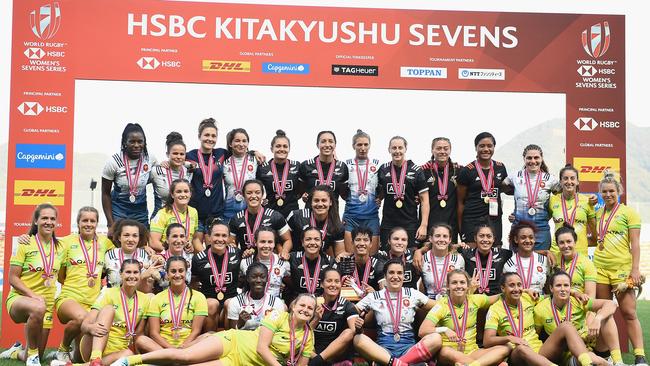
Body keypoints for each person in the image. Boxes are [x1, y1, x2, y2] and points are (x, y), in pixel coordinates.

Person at [109, 294, 316, 366]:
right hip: (233, 341)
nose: (305, 310)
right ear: (293, 306)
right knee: (186, 357)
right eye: (302, 306)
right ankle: (130, 361)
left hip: (239, 362)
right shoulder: (278, 315)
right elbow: (262, 348)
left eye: (310, 308)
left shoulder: (308, 335)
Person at [484, 272, 600, 366]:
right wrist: (510, 338)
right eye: (511, 285)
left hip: (540, 351)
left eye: (519, 285)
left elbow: (555, 295)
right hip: (516, 354)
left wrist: (574, 292)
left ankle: (587, 363)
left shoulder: (528, 298)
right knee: (522, 349)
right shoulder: (495, 309)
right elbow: (487, 341)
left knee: (566, 325)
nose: (516, 289)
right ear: (503, 288)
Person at [594, 171, 647, 366]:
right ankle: (610, 356)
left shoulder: (629, 213)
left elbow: (635, 243)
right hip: (600, 268)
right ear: (600, 192)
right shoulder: (599, 213)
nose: (608, 195)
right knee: (606, 313)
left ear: (619, 192)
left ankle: (640, 356)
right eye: (604, 191)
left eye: (611, 191)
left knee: (629, 313)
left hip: (622, 270)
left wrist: (635, 269)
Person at [3, 204, 64, 366]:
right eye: (44, 218)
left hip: (47, 305)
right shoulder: (24, 243)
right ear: (36, 221)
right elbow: (13, 278)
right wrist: (34, 296)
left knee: (40, 354)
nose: (48, 222)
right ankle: (31, 355)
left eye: (52, 218)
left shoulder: (61, 247)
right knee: (37, 308)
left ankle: (17, 352)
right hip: (20, 300)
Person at [52, 207, 115, 363]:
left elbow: (122, 254)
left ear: (97, 223)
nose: (88, 224)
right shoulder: (66, 242)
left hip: (93, 303)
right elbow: (60, 274)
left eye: (92, 221)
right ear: (78, 223)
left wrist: (145, 247)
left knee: (81, 357)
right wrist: (25, 238)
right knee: (82, 318)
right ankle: (62, 349)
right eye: (84, 220)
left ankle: (67, 357)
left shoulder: (105, 243)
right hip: (69, 298)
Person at [61, 259, 150, 366]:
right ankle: (95, 358)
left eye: (135, 272)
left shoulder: (145, 300)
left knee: (128, 354)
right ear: (121, 274)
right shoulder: (108, 293)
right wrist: (91, 328)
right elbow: (84, 325)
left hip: (118, 352)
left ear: (140, 275)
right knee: (109, 309)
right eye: (128, 272)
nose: (132, 276)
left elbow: (138, 334)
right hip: (93, 345)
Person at [354, 259, 440, 364]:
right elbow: (351, 311)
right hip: (384, 350)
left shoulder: (412, 294)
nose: (395, 276)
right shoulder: (375, 297)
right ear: (385, 276)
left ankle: (397, 363)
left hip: (409, 349)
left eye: (399, 273)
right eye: (391, 273)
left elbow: (439, 307)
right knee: (358, 339)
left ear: (404, 276)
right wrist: (358, 322)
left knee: (436, 338)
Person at [419, 270, 510, 366]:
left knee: (506, 348)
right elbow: (422, 331)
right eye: (454, 283)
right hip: (449, 351)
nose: (459, 286)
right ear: (448, 286)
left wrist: (524, 292)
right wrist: (444, 329)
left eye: (462, 282)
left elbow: (500, 297)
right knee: (446, 352)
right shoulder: (441, 305)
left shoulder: (475, 300)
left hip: (472, 351)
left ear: (467, 286)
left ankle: (471, 365)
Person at [534, 271, 624, 366]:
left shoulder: (578, 300)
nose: (563, 289)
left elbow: (611, 304)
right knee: (567, 327)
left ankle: (618, 362)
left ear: (570, 288)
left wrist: (597, 319)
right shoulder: (540, 308)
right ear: (551, 288)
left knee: (606, 316)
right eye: (558, 285)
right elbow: (536, 335)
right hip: (565, 355)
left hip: (587, 345)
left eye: (566, 285)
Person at [136, 256, 208, 352]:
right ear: (167, 275)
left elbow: (196, 331)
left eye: (181, 271)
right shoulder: (157, 298)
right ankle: (176, 359)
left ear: (186, 273)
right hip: (163, 348)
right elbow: (154, 333)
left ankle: (173, 359)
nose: (177, 275)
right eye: (173, 271)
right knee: (141, 340)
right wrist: (172, 349)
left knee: (209, 336)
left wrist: (183, 347)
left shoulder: (199, 297)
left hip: (188, 346)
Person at [376, 136, 429, 249]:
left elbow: (425, 200)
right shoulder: (383, 169)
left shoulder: (416, 170)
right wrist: (378, 199)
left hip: (410, 224)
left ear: (405, 149)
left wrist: (423, 225)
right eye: (394, 148)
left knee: (410, 259)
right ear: (389, 149)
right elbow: (380, 192)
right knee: (386, 258)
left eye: (400, 147)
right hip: (388, 224)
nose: (397, 151)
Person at [457, 132, 508, 245]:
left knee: (495, 254)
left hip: (494, 219)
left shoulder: (500, 168)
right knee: (471, 256)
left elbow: (506, 188)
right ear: (476, 147)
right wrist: (461, 230)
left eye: (489, 146)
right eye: (482, 146)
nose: (486, 149)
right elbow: (460, 202)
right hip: (472, 220)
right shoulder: (467, 170)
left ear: (494, 147)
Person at [102, 123, 156, 230]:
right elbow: (105, 193)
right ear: (124, 143)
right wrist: (110, 223)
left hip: (141, 212)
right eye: (132, 141)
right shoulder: (113, 162)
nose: (136, 145)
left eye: (140, 141)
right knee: (121, 243)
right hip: (119, 211)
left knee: (141, 244)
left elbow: (159, 175)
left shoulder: (150, 158)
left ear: (144, 143)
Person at [191, 221, 242, 331]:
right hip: (208, 308)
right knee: (212, 304)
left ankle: (231, 340)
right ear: (209, 237)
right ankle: (210, 338)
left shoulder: (237, 254)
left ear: (229, 238)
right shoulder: (198, 259)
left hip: (228, 307)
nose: (220, 239)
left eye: (224, 235)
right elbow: (193, 284)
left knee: (231, 303)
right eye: (216, 235)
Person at [185, 118, 228, 246]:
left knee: (215, 246)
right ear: (199, 136)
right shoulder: (189, 156)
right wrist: (165, 163)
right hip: (195, 212)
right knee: (196, 247)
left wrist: (254, 152)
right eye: (207, 135)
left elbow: (240, 151)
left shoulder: (222, 153)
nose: (210, 139)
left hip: (216, 212)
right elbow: (175, 160)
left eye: (214, 136)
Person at [506, 144, 557, 250]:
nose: (533, 161)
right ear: (524, 159)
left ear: (542, 158)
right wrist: (514, 212)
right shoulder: (514, 176)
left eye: (536, 157)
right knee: (517, 263)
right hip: (519, 227)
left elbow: (564, 198)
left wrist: (552, 214)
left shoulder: (550, 180)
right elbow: (500, 188)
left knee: (541, 264)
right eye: (529, 158)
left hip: (541, 229)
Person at [309, 268, 361, 365]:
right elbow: (300, 330)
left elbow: (354, 330)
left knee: (349, 332)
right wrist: (316, 318)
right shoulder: (311, 301)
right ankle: (322, 362)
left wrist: (359, 327)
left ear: (340, 284)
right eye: (329, 281)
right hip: (311, 349)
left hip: (335, 352)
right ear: (322, 284)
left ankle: (318, 361)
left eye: (337, 281)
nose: (333, 285)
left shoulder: (347, 305)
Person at [228, 179, 292, 258]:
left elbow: (287, 240)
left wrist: (284, 252)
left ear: (263, 195)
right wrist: (237, 250)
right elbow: (231, 243)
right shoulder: (236, 219)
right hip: (246, 260)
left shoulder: (275, 216)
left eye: (257, 192)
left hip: (270, 261)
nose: (253, 196)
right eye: (249, 193)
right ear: (243, 195)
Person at [343, 129, 381, 253]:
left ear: (370, 145)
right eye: (359, 144)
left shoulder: (377, 165)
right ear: (353, 146)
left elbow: (385, 186)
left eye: (366, 144)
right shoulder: (346, 165)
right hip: (351, 217)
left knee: (372, 258)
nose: (363, 148)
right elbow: (340, 189)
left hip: (371, 217)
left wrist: (380, 198)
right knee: (350, 257)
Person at [548, 164, 596, 257]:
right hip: (557, 253)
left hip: (580, 254)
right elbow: (541, 220)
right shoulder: (552, 200)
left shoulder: (587, 201)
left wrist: (582, 242)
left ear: (577, 181)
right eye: (565, 178)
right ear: (560, 182)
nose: (569, 181)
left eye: (572, 178)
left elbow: (595, 232)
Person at [421, 137, 461, 243]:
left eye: (445, 148)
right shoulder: (422, 172)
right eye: (438, 148)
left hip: (451, 225)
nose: (442, 151)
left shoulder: (459, 171)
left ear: (450, 150)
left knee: (450, 257)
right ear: (432, 150)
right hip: (429, 225)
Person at [104, 219, 161, 292]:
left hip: (138, 300)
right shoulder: (108, 255)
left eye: (135, 236)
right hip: (113, 300)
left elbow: (148, 289)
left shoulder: (146, 255)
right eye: (126, 235)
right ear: (119, 237)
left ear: (139, 238)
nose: (130, 239)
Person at [226, 262, 286, 330]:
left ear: (267, 279)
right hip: (243, 338)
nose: (258, 280)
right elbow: (232, 332)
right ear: (248, 278)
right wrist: (240, 323)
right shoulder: (236, 301)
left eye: (262, 277)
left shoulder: (276, 303)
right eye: (254, 277)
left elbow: (279, 330)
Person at [288, 185, 345, 256]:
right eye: (316, 200)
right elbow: (284, 241)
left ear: (330, 202)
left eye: (324, 200)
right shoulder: (296, 216)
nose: (320, 204)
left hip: (320, 263)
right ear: (311, 202)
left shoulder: (337, 225)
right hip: (295, 263)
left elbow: (339, 253)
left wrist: (340, 259)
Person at [256, 129, 302, 217]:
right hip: (269, 215)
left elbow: (303, 186)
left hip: (292, 215)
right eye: (278, 146)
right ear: (271, 149)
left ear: (289, 149)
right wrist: (253, 152)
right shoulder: (262, 168)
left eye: (285, 146)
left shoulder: (297, 166)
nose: (282, 149)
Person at [460, 222, 512, 295]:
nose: (485, 239)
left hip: (496, 301)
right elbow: (447, 248)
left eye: (489, 236)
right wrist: (457, 245)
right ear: (475, 238)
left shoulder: (503, 254)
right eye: (481, 236)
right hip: (474, 300)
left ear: (493, 239)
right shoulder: (466, 254)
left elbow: (519, 252)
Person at [149, 179, 200, 252]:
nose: (183, 195)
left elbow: (195, 238)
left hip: (186, 255)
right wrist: (173, 251)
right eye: (179, 192)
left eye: (186, 191)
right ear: (172, 195)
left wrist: (192, 246)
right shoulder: (162, 213)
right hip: (168, 256)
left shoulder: (193, 212)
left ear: (190, 194)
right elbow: (153, 242)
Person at [239, 227, 291, 299]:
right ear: (255, 242)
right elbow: (239, 283)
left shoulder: (283, 263)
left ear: (274, 243)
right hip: (250, 305)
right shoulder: (246, 262)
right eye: (262, 242)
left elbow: (290, 283)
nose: (266, 246)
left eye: (270, 242)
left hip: (274, 305)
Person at [287, 227, 336, 301]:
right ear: (302, 242)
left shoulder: (330, 262)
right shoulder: (292, 258)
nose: (312, 243)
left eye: (316, 239)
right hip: (297, 303)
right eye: (308, 239)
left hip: (321, 304)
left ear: (321, 243)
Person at [299, 130, 349, 201]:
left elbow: (345, 195)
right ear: (317, 145)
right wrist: (304, 195)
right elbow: (298, 192)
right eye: (323, 141)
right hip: (311, 211)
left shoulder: (342, 167)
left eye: (330, 141)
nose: (327, 145)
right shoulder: (306, 166)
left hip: (333, 211)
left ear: (335, 145)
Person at [503, 221, 549, 298]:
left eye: (531, 237)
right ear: (516, 239)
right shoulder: (509, 264)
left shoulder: (544, 260)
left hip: (539, 302)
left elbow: (548, 287)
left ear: (535, 239)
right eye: (523, 237)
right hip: (518, 304)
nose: (528, 241)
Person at [150, 132, 191, 218]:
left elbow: (195, 165)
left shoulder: (188, 171)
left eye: (182, 154)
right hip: (160, 220)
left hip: (181, 220)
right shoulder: (157, 171)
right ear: (167, 154)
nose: (179, 157)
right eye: (175, 153)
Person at [222, 128, 259, 223]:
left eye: (244, 141)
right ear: (230, 144)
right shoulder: (224, 163)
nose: (241, 144)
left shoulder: (255, 160)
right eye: (237, 141)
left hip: (250, 209)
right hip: (229, 210)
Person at [420, 224, 465, 300]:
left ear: (450, 239)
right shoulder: (423, 259)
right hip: (429, 304)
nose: (441, 239)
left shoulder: (458, 259)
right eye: (437, 236)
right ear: (431, 238)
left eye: (445, 236)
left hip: (451, 303)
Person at [337, 226, 383, 296]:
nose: (361, 243)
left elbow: (385, 292)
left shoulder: (378, 265)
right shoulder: (344, 263)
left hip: (371, 303)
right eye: (358, 240)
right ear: (352, 243)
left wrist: (375, 293)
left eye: (365, 240)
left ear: (371, 244)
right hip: (348, 304)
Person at [554, 226, 596, 299]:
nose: (566, 246)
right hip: (556, 305)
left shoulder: (587, 263)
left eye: (569, 241)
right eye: (561, 243)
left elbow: (590, 297)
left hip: (578, 305)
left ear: (575, 242)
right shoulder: (553, 259)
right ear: (557, 244)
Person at [156, 223, 194, 290]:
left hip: (186, 296)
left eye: (182, 236)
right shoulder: (158, 259)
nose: (179, 241)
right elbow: (162, 283)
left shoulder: (191, 258)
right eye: (175, 236)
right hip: (163, 297)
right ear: (167, 239)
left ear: (186, 239)